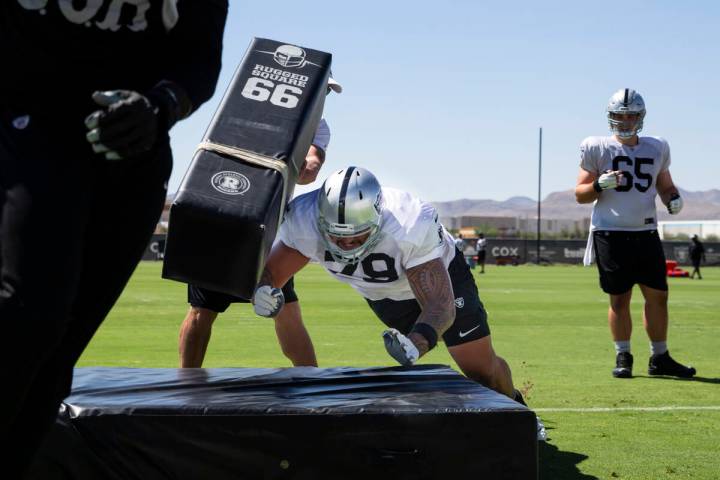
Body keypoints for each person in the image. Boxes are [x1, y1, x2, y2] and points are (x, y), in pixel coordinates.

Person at [0, 1, 228, 476]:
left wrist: (158, 106)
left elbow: (200, 62)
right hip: (26, 131)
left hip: (133, 159)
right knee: (25, 319)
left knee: (56, 355)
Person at [252, 167, 525, 405]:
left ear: (376, 218)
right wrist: (264, 291)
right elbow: (272, 274)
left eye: (357, 237)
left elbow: (440, 306)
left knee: (480, 369)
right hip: (381, 293)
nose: (346, 245)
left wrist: (417, 344)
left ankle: (517, 407)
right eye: (337, 236)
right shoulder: (304, 219)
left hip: (442, 280)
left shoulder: (408, 223)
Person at [179, 80, 341, 368]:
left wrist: (301, 163)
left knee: (286, 310)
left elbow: (310, 169)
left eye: (327, 93)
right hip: (223, 218)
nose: (324, 97)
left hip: (265, 228)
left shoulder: (320, 126)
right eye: (321, 90)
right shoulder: (251, 109)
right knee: (202, 310)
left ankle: (312, 384)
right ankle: (185, 382)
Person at [575, 88, 695, 379]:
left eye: (631, 115)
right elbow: (580, 194)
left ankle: (660, 357)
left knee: (658, 296)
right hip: (610, 232)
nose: (626, 120)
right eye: (619, 115)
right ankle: (623, 354)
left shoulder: (657, 146)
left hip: (645, 232)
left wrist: (673, 199)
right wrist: (599, 186)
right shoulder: (597, 146)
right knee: (619, 299)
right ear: (610, 116)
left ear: (641, 117)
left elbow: (665, 185)